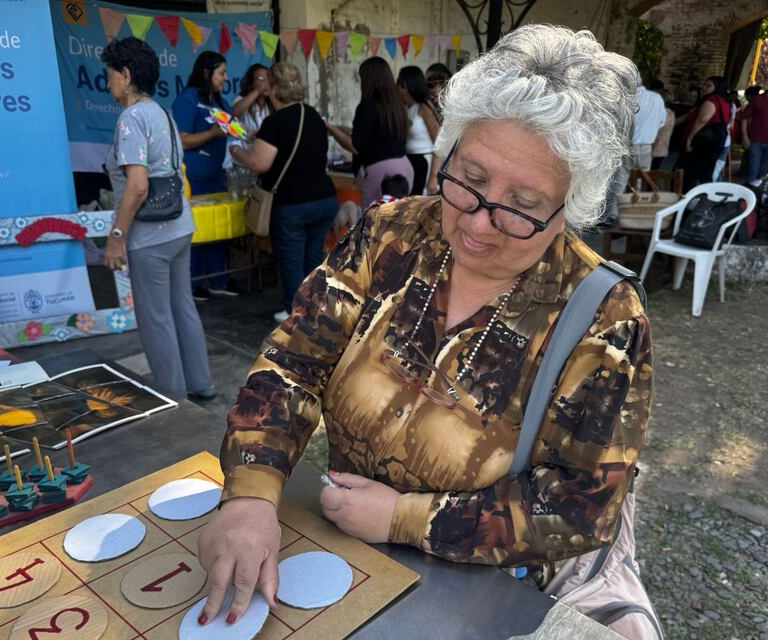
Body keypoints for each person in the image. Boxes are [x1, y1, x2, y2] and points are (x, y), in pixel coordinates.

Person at [195, 24, 652, 628]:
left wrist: (405, 519)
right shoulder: (392, 234)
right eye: (470, 180)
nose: (478, 224)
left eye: (522, 207)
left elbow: (582, 504)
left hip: (480, 597)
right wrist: (251, 492)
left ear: (572, 206)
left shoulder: (605, 318)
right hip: (345, 555)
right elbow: (294, 362)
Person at [101, 37, 215, 401]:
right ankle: (201, 382)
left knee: (156, 318)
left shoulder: (131, 118)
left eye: (110, 74)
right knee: (182, 306)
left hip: (150, 236)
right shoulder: (163, 114)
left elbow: (137, 187)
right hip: (179, 226)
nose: (108, 82)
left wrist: (117, 236)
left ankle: (172, 394)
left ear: (126, 75)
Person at [228, 63, 338, 324]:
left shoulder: (274, 122)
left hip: (292, 202)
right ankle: (315, 307)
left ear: (274, 90)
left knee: (291, 259)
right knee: (313, 257)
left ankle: (294, 310)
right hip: (324, 198)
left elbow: (259, 163)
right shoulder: (312, 114)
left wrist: (236, 150)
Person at [173, 51, 239, 301]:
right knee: (197, 231)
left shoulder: (220, 101)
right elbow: (182, 140)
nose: (225, 78)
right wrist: (212, 133)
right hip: (194, 177)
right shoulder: (187, 100)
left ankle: (218, 280)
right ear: (206, 72)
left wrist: (247, 133)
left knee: (219, 229)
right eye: (221, 73)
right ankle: (194, 283)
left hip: (216, 176)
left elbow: (233, 125)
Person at [326, 57, 412, 206]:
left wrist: (330, 128)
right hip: (404, 167)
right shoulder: (397, 104)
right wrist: (347, 131)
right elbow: (380, 133)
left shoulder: (368, 105)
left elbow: (355, 146)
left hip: (380, 171)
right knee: (398, 217)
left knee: (372, 217)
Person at [681, 75, 731, 190]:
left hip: (705, 140)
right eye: (705, 85)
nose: (705, 88)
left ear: (717, 87)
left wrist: (689, 138)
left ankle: (689, 195)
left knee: (692, 172)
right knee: (707, 171)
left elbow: (701, 120)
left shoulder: (711, 100)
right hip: (719, 139)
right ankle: (704, 195)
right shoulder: (725, 101)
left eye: (709, 85)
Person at [397, 66, 440, 195]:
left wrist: (434, 176)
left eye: (399, 84)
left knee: (419, 202)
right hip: (410, 161)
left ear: (405, 86)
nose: (396, 88)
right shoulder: (405, 109)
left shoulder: (423, 108)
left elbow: (440, 143)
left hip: (424, 163)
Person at [632, 80, 667, 171]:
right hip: (646, 147)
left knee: (624, 177)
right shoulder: (657, 98)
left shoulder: (626, 98)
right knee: (642, 177)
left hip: (627, 147)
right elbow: (662, 122)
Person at [232, 64, 272, 136]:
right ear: (251, 83)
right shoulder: (241, 98)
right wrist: (258, 90)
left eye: (268, 78)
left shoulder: (272, 102)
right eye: (261, 78)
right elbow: (234, 112)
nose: (266, 82)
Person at [650, 80, 676, 170]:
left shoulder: (663, 113)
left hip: (652, 148)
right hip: (662, 149)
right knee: (653, 171)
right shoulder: (670, 114)